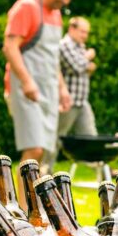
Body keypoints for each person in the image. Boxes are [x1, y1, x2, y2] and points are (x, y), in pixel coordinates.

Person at [2, 0, 77, 196]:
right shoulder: (27, 8)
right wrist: (27, 82)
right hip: (26, 90)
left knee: (44, 151)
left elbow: (52, 58)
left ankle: (31, 204)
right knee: (33, 148)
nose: (64, 1)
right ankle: (24, 210)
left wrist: (62, 89)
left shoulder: (56, 16)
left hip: (48, 90)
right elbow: (10, 47)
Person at [46, 17, 99, 170]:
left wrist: (86, 63)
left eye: (87, 33)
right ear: (72, 29)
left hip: (82, 101)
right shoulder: (64, 45)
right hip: (67, 102)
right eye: (82, 32)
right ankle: (44, 172)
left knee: (91, 136)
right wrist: (88, 57)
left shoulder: (79, 47)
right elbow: (77, 66)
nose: (85, 36)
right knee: (56, 138)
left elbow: (86, 68)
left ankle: (104, 173)